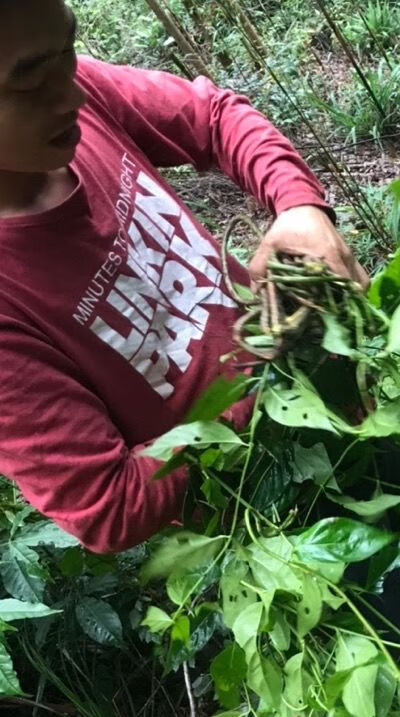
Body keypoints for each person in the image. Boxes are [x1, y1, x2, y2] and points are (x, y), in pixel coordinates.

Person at [0, 0, 368, 554]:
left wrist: (298, 207)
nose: (71, 90)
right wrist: (275, 378)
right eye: (30, 80)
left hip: (334, 401)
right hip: (270, 519)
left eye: (69, 48)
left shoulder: (80, 98)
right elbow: (109, 505)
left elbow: (214, 117)